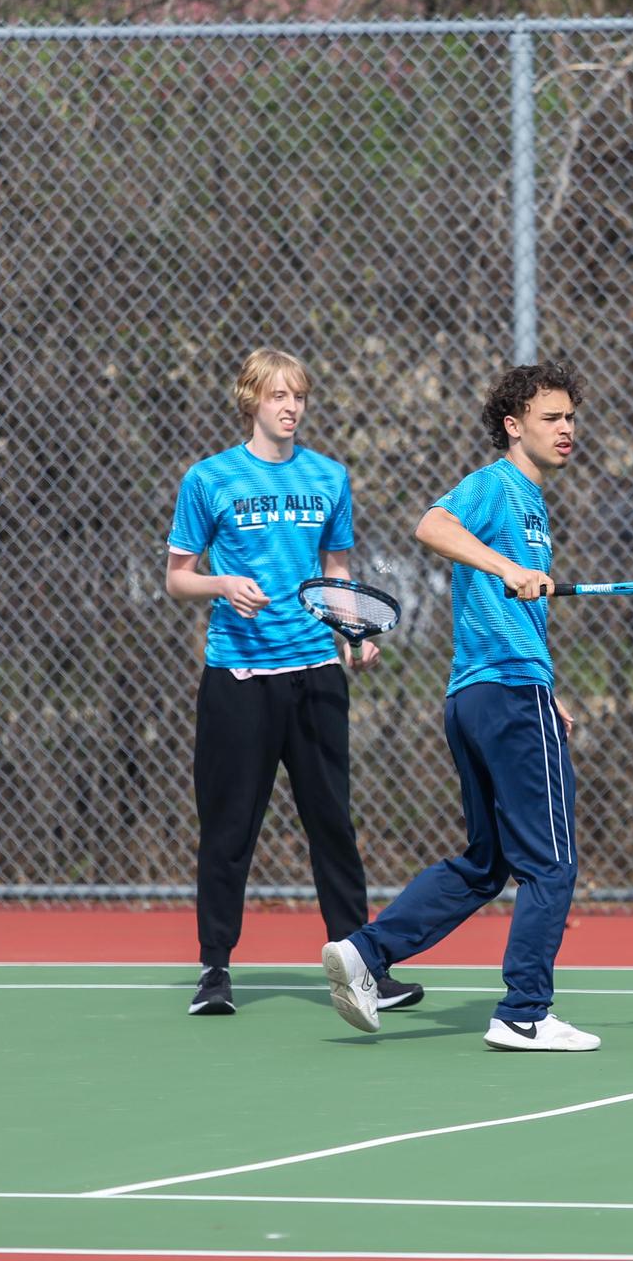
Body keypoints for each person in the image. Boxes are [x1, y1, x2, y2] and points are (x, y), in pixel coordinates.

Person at [320, 360, 598, 1052]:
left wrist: (548, 689)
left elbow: (507, 616)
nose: (567, 429)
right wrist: (506, 568)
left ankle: (365, 954)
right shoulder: (497, 486)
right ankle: (525, 1011)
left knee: (486, 864)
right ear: (514, 426)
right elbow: (431, 524)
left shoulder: (533, 503)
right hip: (501, 696)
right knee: (551, 862)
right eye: (551, 418)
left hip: (491, 693)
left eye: (570, 417)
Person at [165, 348, 422, 1017]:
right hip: (239, 679)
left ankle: (361, 967)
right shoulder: (209, 478)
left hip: (314, 676)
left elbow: (336, 574)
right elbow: (177, 576)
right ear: (251, 399)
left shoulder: (329, 477)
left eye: (299, 396)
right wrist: (221, 583)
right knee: (228, 829)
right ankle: (215, 971)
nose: (291, 406)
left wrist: (352, 632)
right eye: (278, 395)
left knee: (332, 824)